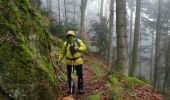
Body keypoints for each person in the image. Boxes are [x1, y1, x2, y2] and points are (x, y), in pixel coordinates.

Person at [58, 30, 87, 95]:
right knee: (69, 76)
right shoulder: (65, 43)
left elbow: (84, 48)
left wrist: (78, 48)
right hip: (69, 62)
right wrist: (59, 60)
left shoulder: (78, 41)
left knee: (80, 75)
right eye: (68, 36)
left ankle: (80, 88)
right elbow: (63, 53)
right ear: (67, 36)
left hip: (78, 61)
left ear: (73, 36)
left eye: (71, 35)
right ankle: (71, 88)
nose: (70, 37)